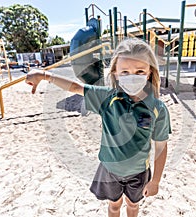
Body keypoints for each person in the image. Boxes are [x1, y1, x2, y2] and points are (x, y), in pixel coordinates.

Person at [26, 38, 171, 217]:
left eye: (139, 71)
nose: (132, 76)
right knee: (114, 206)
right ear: (116, 73)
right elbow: (75, 87)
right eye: (125, 72)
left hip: (139, 172)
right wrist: (45, 76)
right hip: (109, 170)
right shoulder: (107, 99)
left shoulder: (157, 108)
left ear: (149, 73)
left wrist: (155, 180)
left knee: (133, 206)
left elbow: (161, 147)